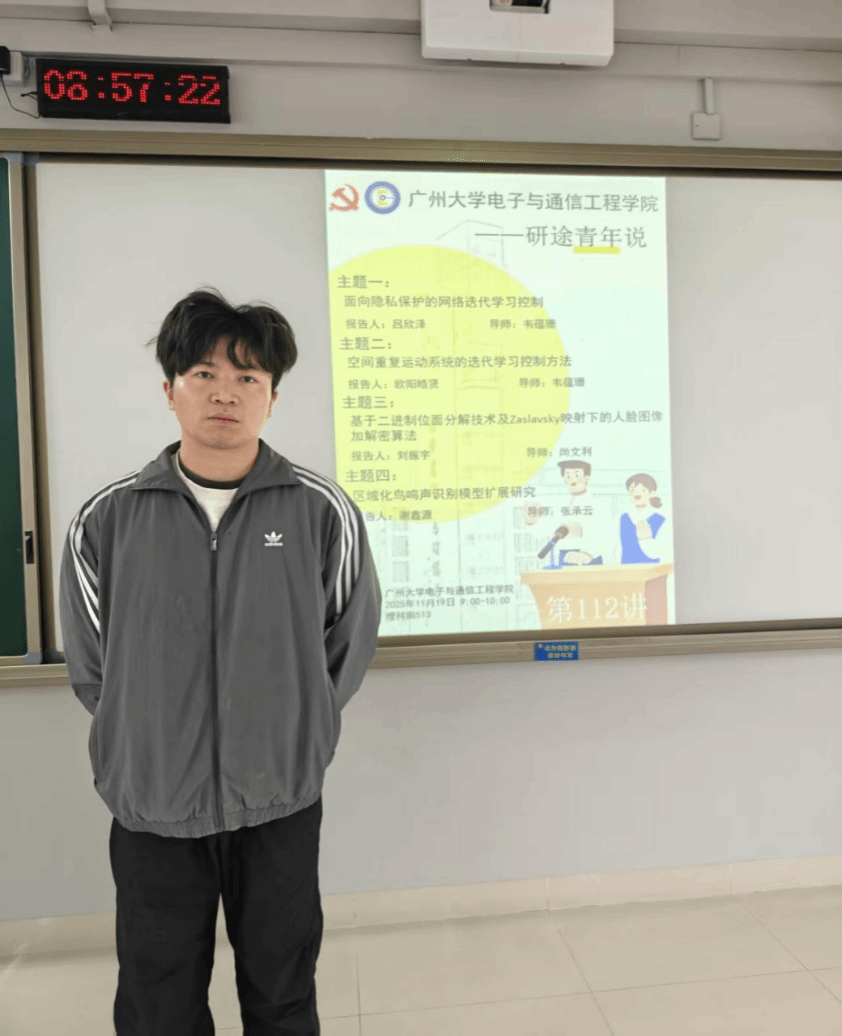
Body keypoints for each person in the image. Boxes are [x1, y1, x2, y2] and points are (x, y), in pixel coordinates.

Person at [58, 287, 381, 1036]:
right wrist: (149, 737)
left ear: (273, 397)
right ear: (169, 389)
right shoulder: (108, 517)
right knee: (158, 1002)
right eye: (204, 373)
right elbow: (94, 666)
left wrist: (294, 728)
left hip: (278, 800)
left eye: (247, 377)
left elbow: (346, 642)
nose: (225, 393)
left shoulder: (318, 509)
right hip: (153, 801)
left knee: (282, 991)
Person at [536, 459, 613, 568]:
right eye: (567, 475)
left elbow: (607, 535)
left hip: (588, 558)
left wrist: (588, 553)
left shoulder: (598, 506)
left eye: (576, 475)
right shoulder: (560, 505)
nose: (572, 479)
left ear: (586, 478)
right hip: (564, 557)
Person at [619, 472, 670, 563]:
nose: (636, 494)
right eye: (632, 490)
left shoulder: (661, 520)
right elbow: (618, 549)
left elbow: (663, 552)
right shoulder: (623, 519)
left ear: (652, 493)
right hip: (625, 570)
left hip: (652, 570)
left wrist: (646, 540)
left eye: (642, 490)